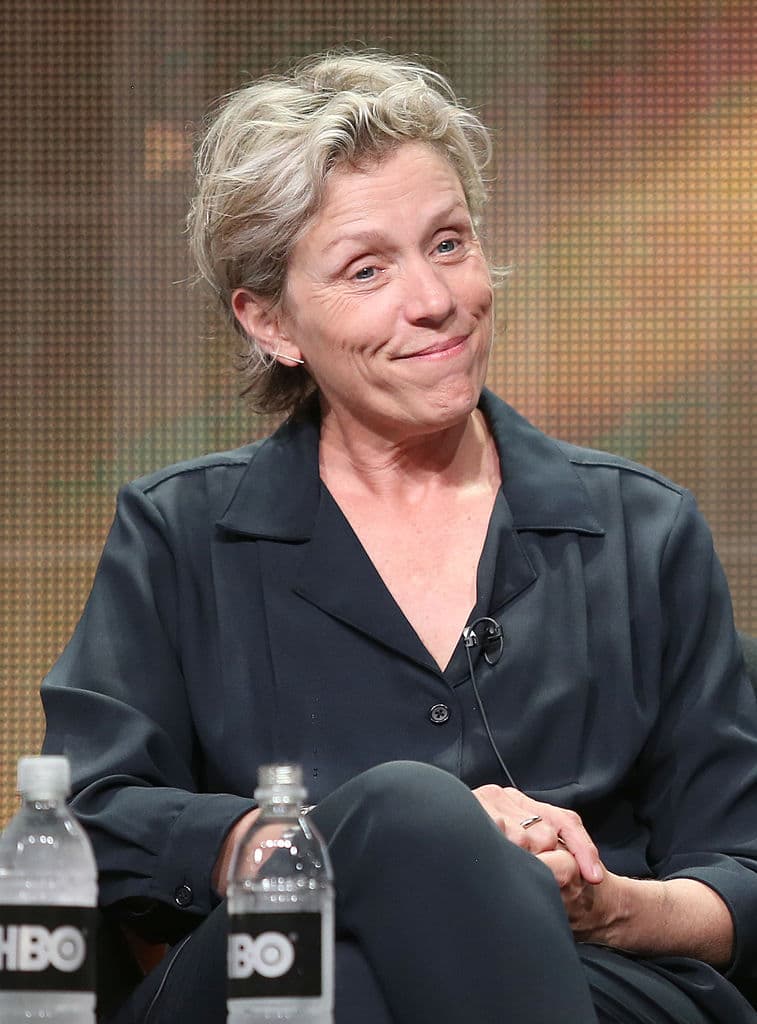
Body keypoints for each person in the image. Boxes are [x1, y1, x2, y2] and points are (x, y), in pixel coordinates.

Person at [41, 49, 757, 1024]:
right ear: (269, 320)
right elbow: (89, 820)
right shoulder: (180, 536)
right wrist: (345, 843)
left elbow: (740, 869)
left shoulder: (643, 531)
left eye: (450, 243)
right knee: (390, 862)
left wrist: (616, 903)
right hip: (273, 975)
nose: (432, 300)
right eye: (368, 267)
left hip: (593, 977)